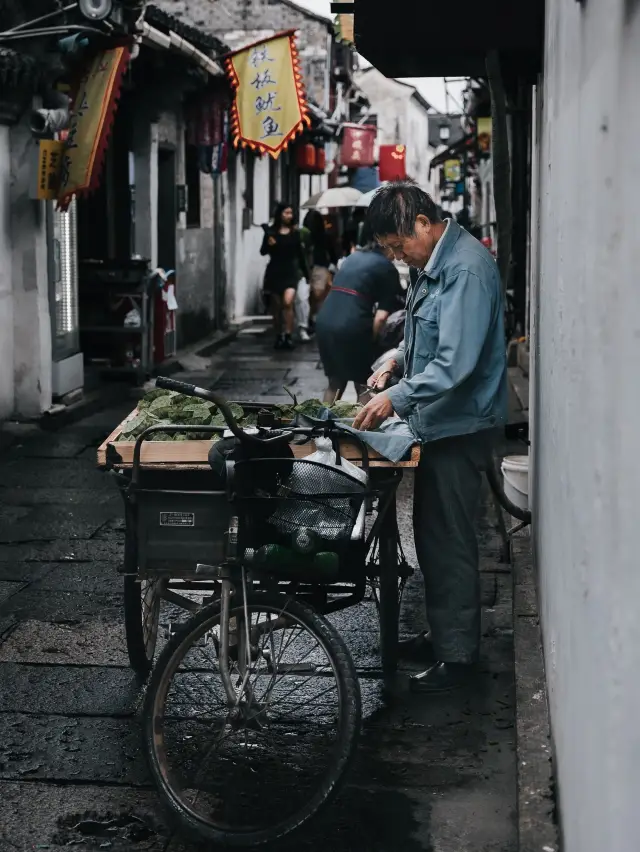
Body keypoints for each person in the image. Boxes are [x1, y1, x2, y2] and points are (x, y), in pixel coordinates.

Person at [353, 180, 507, 694]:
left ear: (423, 222)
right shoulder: (432, 266)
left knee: (450, 540)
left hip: (461, 428)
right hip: (440, 423)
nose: (400, 257)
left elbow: (456, 363)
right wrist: (397, 358)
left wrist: (395, 397)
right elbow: (429, 336)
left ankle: (458, 657)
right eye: (391, 253)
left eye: (400, 246)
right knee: (434, 536)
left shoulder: (464, 268)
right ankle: (445, 634)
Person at [315, 222, 404, 405]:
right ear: (388, 247)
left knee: (335, 383)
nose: (399, 254)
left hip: (324, 322)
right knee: (364, 384)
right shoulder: (387, 269)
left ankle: (320, 426)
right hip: (351, 326)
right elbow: (380, 317)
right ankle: (359, 431)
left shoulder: (352, 258)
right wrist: (371, 342)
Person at [261, 203, 309, 350]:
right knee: (276, 307)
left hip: (290, 272)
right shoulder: (271, 233)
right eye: (286, 213)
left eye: (290, 213)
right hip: (275, 272)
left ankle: (288, 335)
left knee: (288, 302)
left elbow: (300, 255)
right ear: (280, 215)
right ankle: (279, 335)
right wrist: (269, 244)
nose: (289, 216)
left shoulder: (295, 233)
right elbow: (263, 251)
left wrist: (306, 274)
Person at [302, 209, 338, 331]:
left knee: (311, 295)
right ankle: (314, 317)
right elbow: (333, 254)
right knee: (318, 295)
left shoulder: (304, 235)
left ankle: (310, 317)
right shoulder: (325, 236)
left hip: (311, 267)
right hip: (321, 267)